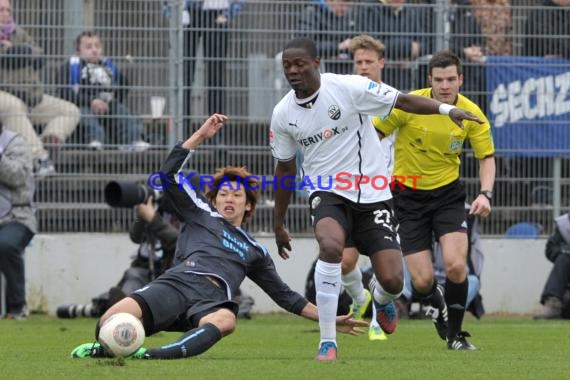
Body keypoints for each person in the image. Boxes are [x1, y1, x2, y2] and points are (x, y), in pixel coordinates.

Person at [71, 113, 366, 360]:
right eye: (223, 193)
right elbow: (168, 175)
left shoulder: (255, 251)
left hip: (211, 301)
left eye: (236, 194)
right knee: (107, 322)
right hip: (177, 284)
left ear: (248, 204)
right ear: (214, 200)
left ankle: (151, 356)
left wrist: (327, 319)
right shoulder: (200, 212)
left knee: (227, 320)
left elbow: (286, 296)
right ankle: (109, 347)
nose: (229, 199)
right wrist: (199, 136)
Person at [270, 38, 482, 361]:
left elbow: (403, 101)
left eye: (300, 64)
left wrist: (446, 109)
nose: (293, 71)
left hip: (373, 194)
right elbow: (285, 167)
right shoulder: (283, 113)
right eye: (288, 65)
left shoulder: (349, 88)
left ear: (317, 63)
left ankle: (380, 299)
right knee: (331, 249)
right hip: (326, 191)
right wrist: (278, 221)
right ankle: (328, 342)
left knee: (394, 280)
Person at [374, 50, 495, 350]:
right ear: (429, 80)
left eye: (451, 79)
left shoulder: (471, 114)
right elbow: (374, 132)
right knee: (422, 282)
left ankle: (455, 335)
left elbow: (486, 158)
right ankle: (438, 307)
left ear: (460, 80)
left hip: (448, 196)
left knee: (456, 266)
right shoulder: (409, 104)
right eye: (439, 80)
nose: (445, 85)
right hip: (407, 197)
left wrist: (486, 192)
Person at [57, 197, 179, 319]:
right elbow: (135, 237)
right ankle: (115, 304)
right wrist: (142, 216)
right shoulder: (157, 209)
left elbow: (177, 241)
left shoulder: (188, 211)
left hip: (172, 272)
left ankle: (119, 306)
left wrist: (153, 219)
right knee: (131, 279)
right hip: (143, 269)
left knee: (136, 286)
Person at [0, 0, 80, 176]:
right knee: (13, 107)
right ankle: (39, 158)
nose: (5, 14)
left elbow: (40, 55)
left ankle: (51, 139)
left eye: (8, 10)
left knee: (69, 110)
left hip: (29, 95)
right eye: (1, 10)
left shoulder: (18, 33)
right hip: (4, 97)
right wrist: (12, 54)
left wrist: (16, 51)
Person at [58, 31, 149, 151]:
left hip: (108, 105)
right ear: (78, 51)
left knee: (121, 111)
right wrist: (91, 101)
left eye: (97, 46)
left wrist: (111, 101)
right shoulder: (70, 66)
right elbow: (65, 93)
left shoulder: (108, 65)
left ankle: (133, 140)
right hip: (83, 105)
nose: (94, 50)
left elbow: (123, 86)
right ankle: (95, 142)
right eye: (88, 47)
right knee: (85, 115)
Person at [356, 0, 433, 91]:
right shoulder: (369, 8)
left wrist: (409, 55)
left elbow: (426, 43)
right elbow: (371, 43)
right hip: (380, 75)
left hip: (407, 74)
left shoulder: (412, 11)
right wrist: (409, 47)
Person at [0, 124, 36, 319]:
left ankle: (17, 306)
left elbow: (18, 176)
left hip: (17, 216)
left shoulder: (16, 143)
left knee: (5, 245)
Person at [296, 0, 356, 75]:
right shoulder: (311, 12)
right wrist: (338, 46)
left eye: (347, 6)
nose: (345, 9)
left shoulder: (345, 15)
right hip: (319, 66)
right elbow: (306, 46)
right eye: (342, 5)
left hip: (343, 64)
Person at [533, 212, 570, 320]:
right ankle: (553, 303)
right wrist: (565, 250)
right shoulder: (565, 224)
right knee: (563, 257)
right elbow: (550, 249)